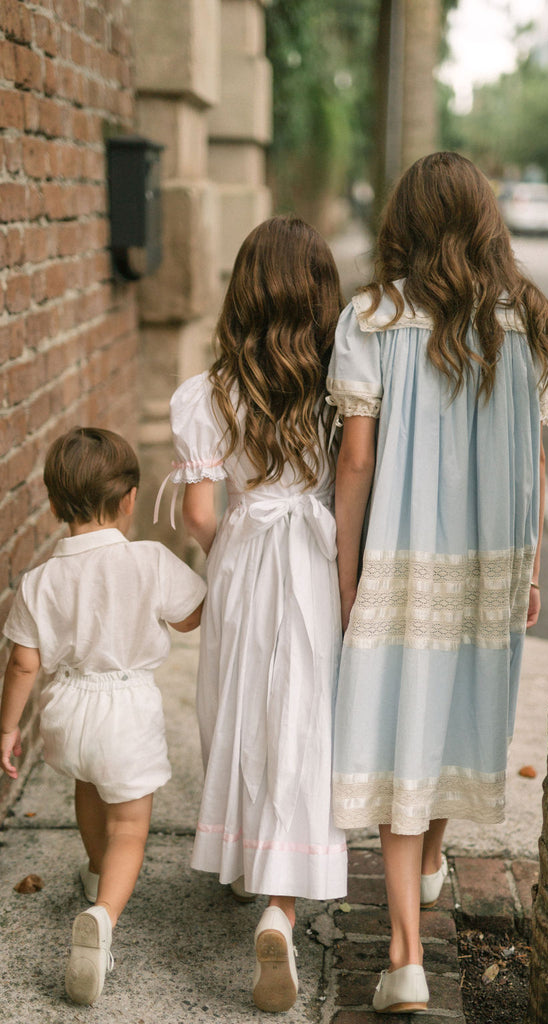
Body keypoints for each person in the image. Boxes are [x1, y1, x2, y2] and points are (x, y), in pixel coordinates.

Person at [327, 151, 548, 1014]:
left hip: (399, 555)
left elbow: (356, 460)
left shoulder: (372, 317)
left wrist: (346, 570)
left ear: (405, 222)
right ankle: (429, 862)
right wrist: (529, 569)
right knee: (451, 712)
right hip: (488, 560)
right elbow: (533, 458)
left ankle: (403, 958)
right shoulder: (529, 318)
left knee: (399, 734)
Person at [160, 216, 348, 1013]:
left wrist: (228, 552)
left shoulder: (209, 393)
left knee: (235, 708)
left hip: (243, 556)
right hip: (315, 559)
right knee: (301, 718)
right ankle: (281, 903)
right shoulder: (339, 385)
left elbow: (198, 514)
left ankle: (241, 859)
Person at [0, 427, 206, 1006]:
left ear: (53, 503)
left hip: (68, 709)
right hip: (126, 709)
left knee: (88, 781)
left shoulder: (39, 580)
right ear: (129, 499)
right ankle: (104, 916)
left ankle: (96, 868)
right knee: (130, 827)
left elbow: (22, 662)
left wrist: (8, 728)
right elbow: (192, 616)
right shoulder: (149, 561)